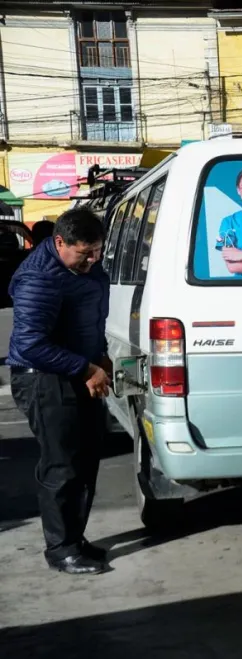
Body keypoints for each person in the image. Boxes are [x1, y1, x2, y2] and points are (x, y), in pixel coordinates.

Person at [7, 208, 112, 575]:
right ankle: (61, 548)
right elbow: (32, 343)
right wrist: (86, 367)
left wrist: (100, 356)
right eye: (85, 253)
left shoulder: (84, 266)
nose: (92, 260)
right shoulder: (40, 278)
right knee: (61, 465)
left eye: (97, 251)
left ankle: (75, 538)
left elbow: (91, 317)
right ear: (59, 242)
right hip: (45, 379)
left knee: (85, 460)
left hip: (81, 371)